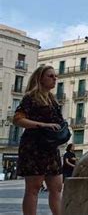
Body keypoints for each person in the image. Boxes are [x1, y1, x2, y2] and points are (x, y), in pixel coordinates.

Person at [13, 65, 63, 215]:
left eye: (55, 76)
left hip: (50, 147)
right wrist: (42, 125)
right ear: (40, 78)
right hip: (34, 147)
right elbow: (17, 119)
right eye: (50, 76)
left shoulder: (52, 99)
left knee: (57, 187)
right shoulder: (31, 97)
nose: (55, 79)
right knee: (33, 188)